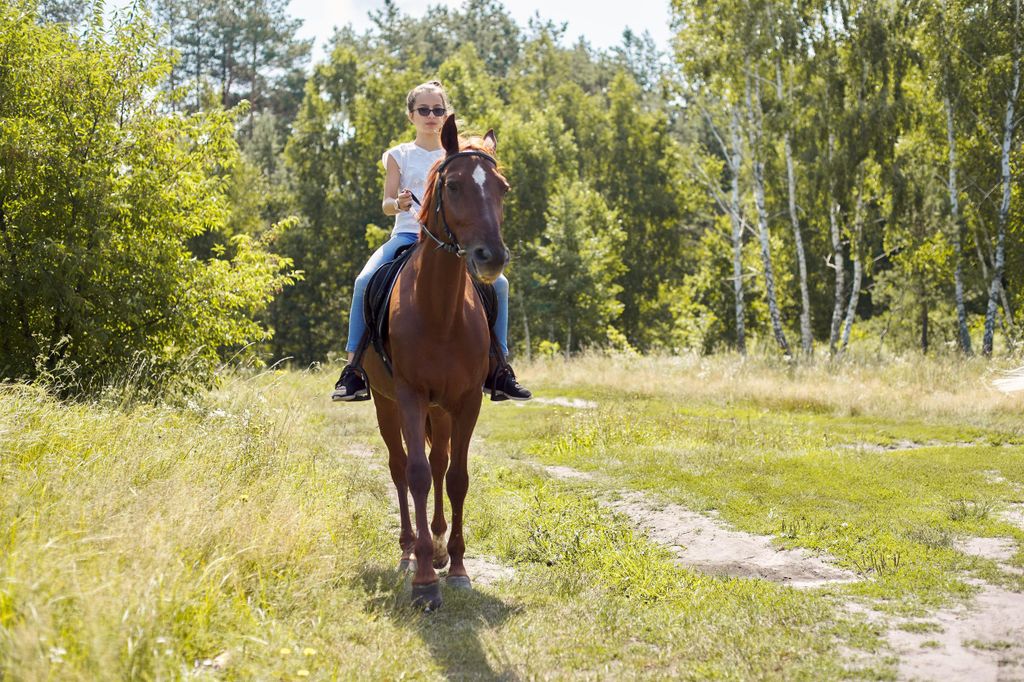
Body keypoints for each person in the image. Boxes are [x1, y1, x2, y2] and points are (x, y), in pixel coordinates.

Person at [332, 80, 531, 403]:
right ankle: (353, 369)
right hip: (407, 236)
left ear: (445, 115)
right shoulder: (400, 155)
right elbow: (385, 203)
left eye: (438, 110)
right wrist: (397, 203)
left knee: (500, 284)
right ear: (411, 115)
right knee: (364, 280)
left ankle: (499, 368)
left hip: (451, 245)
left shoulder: (456, 155)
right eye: (423, 110)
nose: (431, 115)